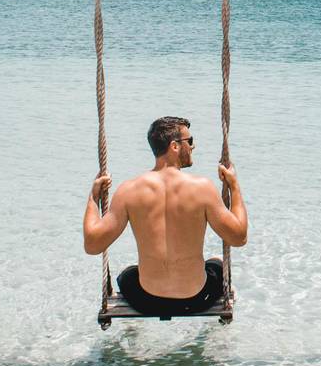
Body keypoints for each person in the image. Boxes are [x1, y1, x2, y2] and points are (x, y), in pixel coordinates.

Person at [83, 116, 248, 316]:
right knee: (217, 266)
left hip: (146, 301)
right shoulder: (202, 188)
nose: (193, 147)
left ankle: (133, 334)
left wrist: (93, 197)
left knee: (127, 275)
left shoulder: (129, 190)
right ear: (175, 146)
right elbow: (239, 238)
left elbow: (92, 246)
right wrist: (234, 186)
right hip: (196, 300)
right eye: (190, 141)